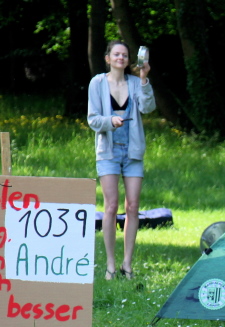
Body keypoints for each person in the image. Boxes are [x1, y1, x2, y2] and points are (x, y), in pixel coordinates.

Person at [88, 41, 156, 281]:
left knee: (133, 206)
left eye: (125, 55)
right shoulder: (97, 83)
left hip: (133, 152)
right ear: (108, 58)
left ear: (129, 60)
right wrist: (110, 121)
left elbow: (148, 108)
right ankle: (110, 265)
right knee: (111, 206)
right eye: (116, 54)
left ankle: (127, 264)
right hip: (108, 152)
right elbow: (93, 119)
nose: (121, 58)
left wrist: (145, 79)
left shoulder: (136, 82)